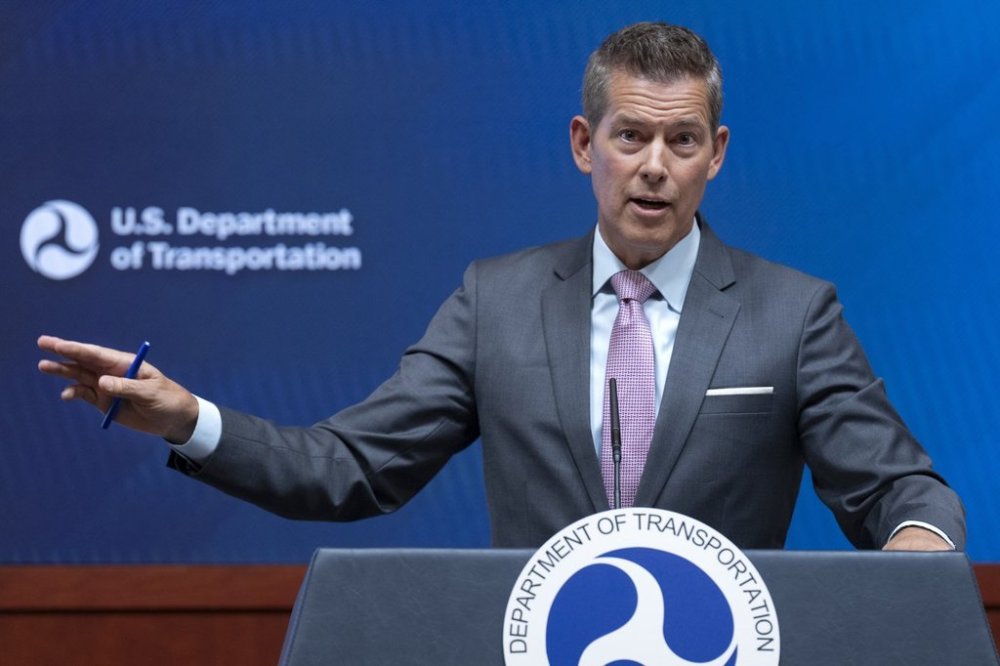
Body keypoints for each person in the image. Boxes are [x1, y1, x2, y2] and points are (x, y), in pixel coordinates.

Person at [38, 22, 963, 552]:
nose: (655, 165)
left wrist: (917, 549)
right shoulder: (497, 303)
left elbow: (902, 491)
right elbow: (349, 468)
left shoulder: (793, 314)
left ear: (715, 155)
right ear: (583, 144)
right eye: (630, 136)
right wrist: (188, 419)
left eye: (681, 141)